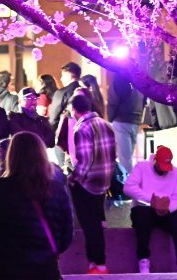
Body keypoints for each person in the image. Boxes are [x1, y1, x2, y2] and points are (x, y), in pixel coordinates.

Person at [0, 132, 74, 280]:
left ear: (11, 156)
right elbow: (66, 237)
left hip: (2, 270)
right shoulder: (56, 190)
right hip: (45, 271)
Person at [66, 92, 117, 275]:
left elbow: (84, 162)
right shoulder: (106, 124)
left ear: (74, 110)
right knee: (96, 221)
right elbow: (113, 156)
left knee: (90, 225)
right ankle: (99, 263)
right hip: (104, 181)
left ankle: (97, 264)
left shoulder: (82, 128)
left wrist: (71, 179)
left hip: (88, 183)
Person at [123, 145, 177, 273]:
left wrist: (167, 209)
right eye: (161, 166)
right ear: (155, 161)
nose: (164, 171)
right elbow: (128, 188)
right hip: (145, 207)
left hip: (166, 211)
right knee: (142, 217)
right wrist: (152, 201)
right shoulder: (142, 167)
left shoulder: (175, 173)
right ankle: (143, 260)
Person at [106, 72, 144, 173]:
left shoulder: (119, 77)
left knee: (125, 158)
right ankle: (129, 181)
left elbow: (113, 100)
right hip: (136, 119)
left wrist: (110, 117)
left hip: (121, 120)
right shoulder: (137, 76)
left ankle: (126, 185)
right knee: (128, 156)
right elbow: (144, 98)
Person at [49, 63, 82, 134]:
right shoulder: (85, 92)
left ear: (69, 75)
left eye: (63, 75)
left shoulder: (61, 93)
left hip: (65, 134)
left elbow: (54, 117)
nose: (61, 79)